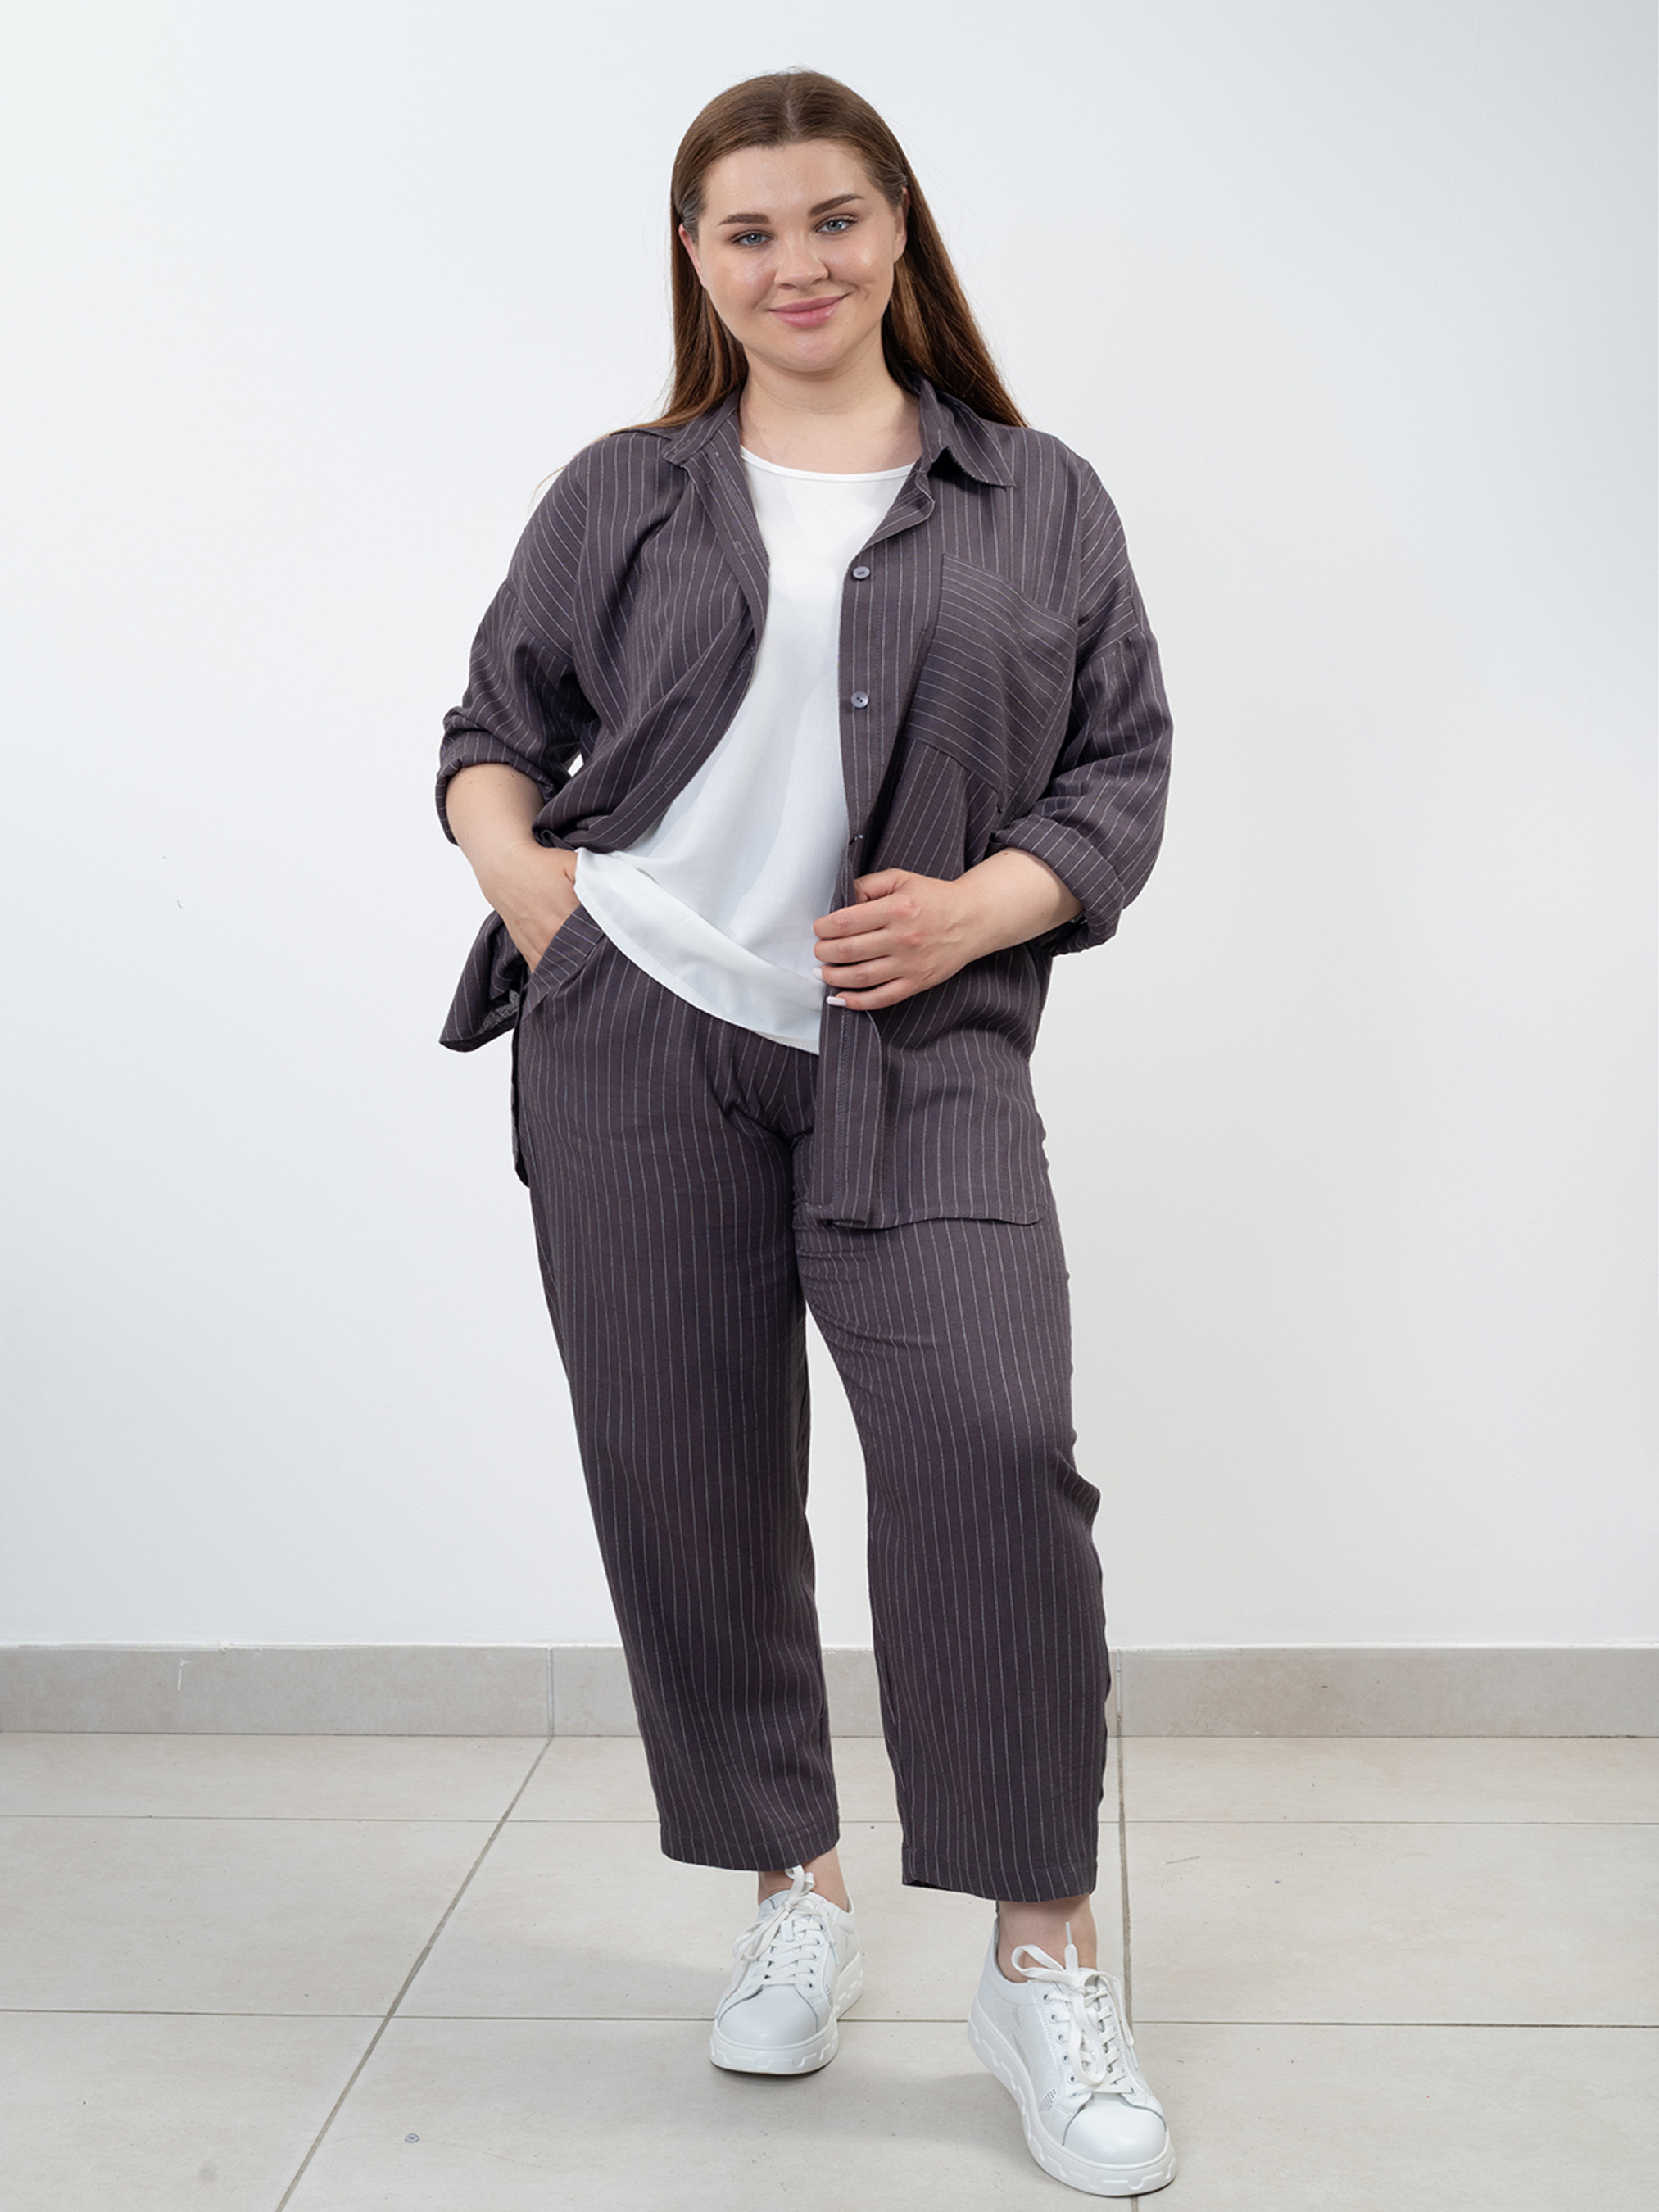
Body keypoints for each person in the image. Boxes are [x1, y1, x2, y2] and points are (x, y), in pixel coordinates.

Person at [436, 67, 1176, 2200]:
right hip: (636, 1044)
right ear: (696, 258)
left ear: (896, 227)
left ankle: (1042, 1956)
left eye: (832, 219)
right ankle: (794, 1890)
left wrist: (979, 906)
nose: (796, 265)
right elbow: (494, 735)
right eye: (748, 232)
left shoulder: (1034, 495)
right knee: (688, 1480)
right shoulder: (622, 492)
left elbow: (1118, 776)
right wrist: (544, 902)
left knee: (989, 1456)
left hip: (921, 1053)